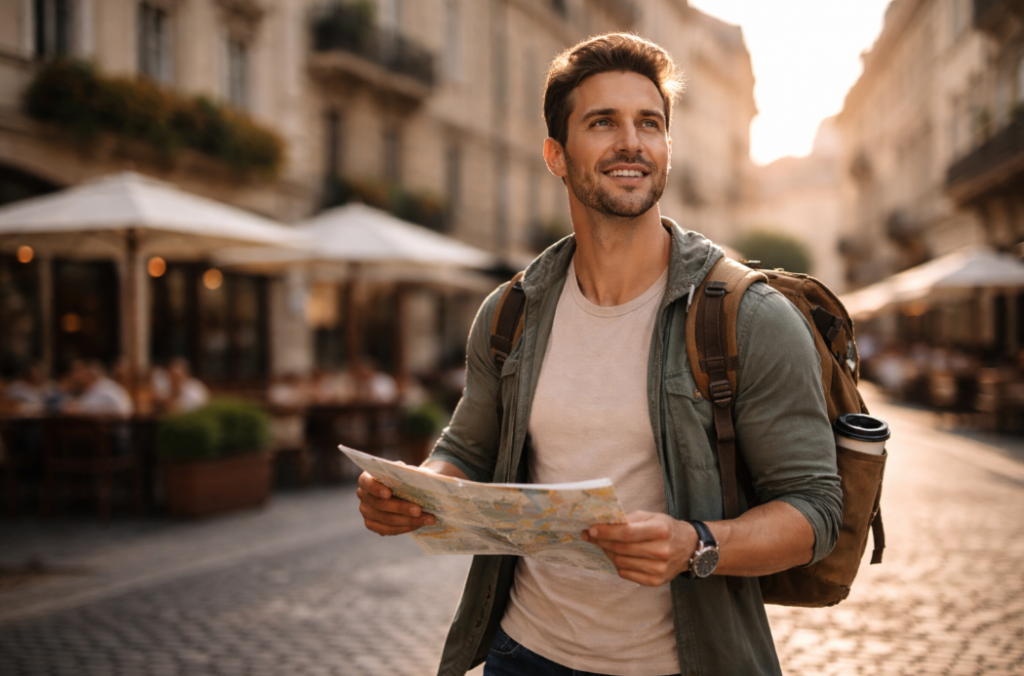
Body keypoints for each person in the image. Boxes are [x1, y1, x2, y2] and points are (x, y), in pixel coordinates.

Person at [356, 33, 841, 676]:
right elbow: (467, 451)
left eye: (650, 123)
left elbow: (815, 510)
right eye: (603, 122)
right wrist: (419, 491)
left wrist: (697, 544)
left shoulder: (749, 317)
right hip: (523, 654)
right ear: (556, 155)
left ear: (668, 147)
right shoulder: (510, 312)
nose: (632, 143)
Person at [64, 359, 133, 416]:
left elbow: (117, 406)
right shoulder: (96, 387)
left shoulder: (104, 387)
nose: (78, 378)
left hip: (117, 427)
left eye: (82, 374)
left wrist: (78, 407)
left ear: (90, 375)